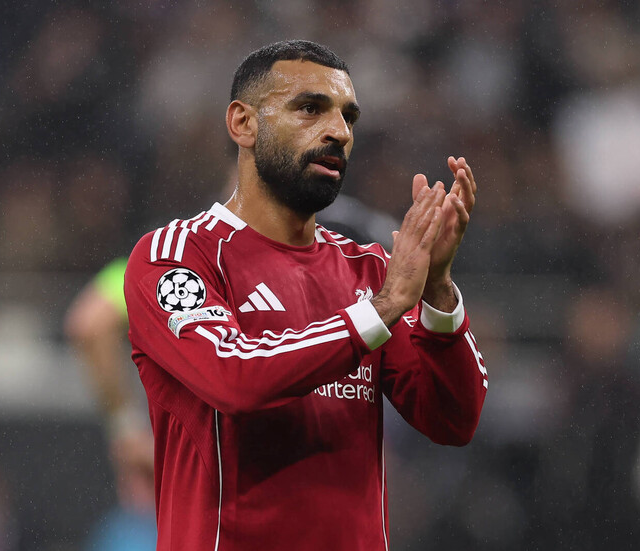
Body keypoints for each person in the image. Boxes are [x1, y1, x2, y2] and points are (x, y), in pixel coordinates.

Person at [124, 40, 488, 550]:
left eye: (348, 116)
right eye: (310, 108)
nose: (339, 131)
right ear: (243, 123)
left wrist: (438, 289)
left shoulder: (368, 269)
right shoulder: (177, 256)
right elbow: (235, 379)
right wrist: (381, 309)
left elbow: (453, 420)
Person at [64, 258, 157, 551]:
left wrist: (126, 428)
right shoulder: (208, 262)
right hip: (240, 468)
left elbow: (89, 323)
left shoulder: (165, 258)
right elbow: (90, 324)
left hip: (185, 461)